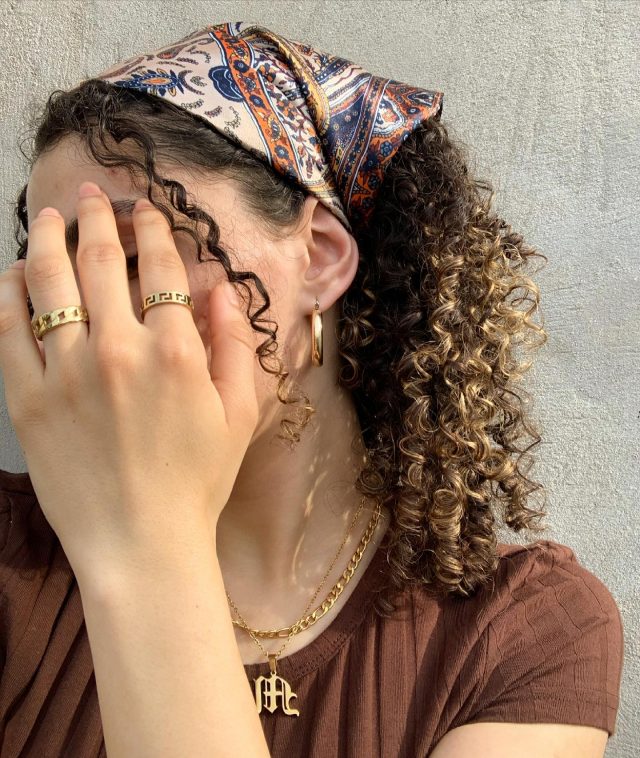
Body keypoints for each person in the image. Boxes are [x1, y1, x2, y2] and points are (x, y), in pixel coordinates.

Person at [0, 20, 623, 758]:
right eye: (51, 279)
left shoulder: (522, 630)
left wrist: (147, 541)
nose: (84, 325)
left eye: (132, 258)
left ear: (320, 259)